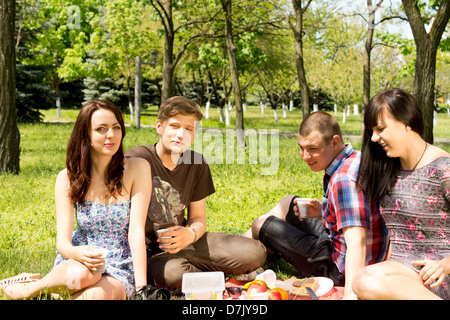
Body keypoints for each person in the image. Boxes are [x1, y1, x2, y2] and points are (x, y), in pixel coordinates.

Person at [0, 100, 151, 300]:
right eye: (101, 129)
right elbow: (62, 242)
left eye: (116, 127)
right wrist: (77, 254)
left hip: (120, 263)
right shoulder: (67, 178)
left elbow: (136, 232)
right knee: (84, 274)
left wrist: (142, 289)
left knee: (94, 297)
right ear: (85, 136)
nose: (111, 135)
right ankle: (30, 290)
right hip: (79, 262)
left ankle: (53, 291)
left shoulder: (138, 168)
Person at [243, 111, 389, 299]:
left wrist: (351, 295)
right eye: (301, 148)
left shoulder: (344, 179)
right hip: (341, 241)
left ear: (334, 142)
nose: (305, 156)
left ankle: (237, 254)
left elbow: (357, 243)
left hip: (337, 269)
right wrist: (323, 210)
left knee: (260, 225)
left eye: (312, 149)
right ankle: (244, 249)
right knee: (289, 202)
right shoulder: (356, 158)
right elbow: (362, 210)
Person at [125, 96, 266, 290]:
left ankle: (204, 277)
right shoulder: (137, 159)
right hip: (150, 253)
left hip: (186, 243)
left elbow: (198, 217)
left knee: (255, 252)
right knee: (175, 274)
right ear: (159, 127)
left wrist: (189, 234)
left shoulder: (196, 163)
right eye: (174, 126)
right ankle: (222, 279)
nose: (181, 134)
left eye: (188, 129)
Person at [352, 88, 450, 300]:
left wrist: (445, 265)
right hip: (401, 276)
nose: (375, 138)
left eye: (380, 129)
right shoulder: (389, 171)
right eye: (372, 131)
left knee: (364, 280)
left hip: (439, 275)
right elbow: (396, 236)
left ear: (407, 122)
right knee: (364, 281)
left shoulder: (444, 169)